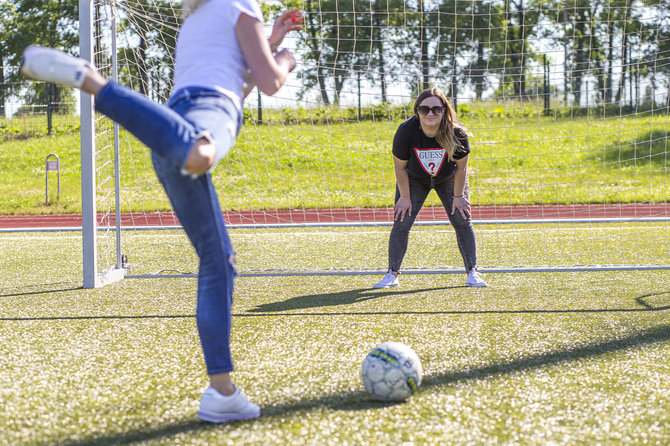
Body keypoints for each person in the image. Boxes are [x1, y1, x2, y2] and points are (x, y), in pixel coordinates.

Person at [20, 0, 302, 423]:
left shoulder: (198, 16)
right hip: (208, 113)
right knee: (199, 154)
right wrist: (285, 57)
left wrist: (270, 39)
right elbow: (268, 83)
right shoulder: (240, 4)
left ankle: (222, 392)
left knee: (219, 260)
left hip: (172, 121)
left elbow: (237, 76)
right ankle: (95, 83)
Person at [373, 87, 488, 289]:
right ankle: (392, 273)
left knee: (462, 219)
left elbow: (461, 169)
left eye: (436, 109)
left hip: (449, 177)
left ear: (444, 110)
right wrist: (405, 197)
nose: (430, 113)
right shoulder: (406, 131)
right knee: (402, 220)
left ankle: (472, 272)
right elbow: (400, 168)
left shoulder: (457, 133)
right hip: (414, 178)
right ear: (417, 110)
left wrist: (459, 196)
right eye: (424, 109)